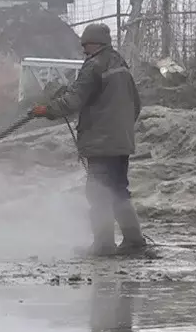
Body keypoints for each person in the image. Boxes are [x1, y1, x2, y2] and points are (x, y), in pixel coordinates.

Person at [31, 22, 146, 256]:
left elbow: (74, 100)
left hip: (102, 143)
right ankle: (134, 241)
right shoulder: (121, 65)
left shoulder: (94, 66)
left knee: (99, 192)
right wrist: (121, 130)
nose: (84, 50)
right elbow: (136, 104)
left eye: (86, 45)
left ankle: (103, 245)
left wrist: (47, 110)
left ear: (94, 44)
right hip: (121, 142)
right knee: (118, 190)